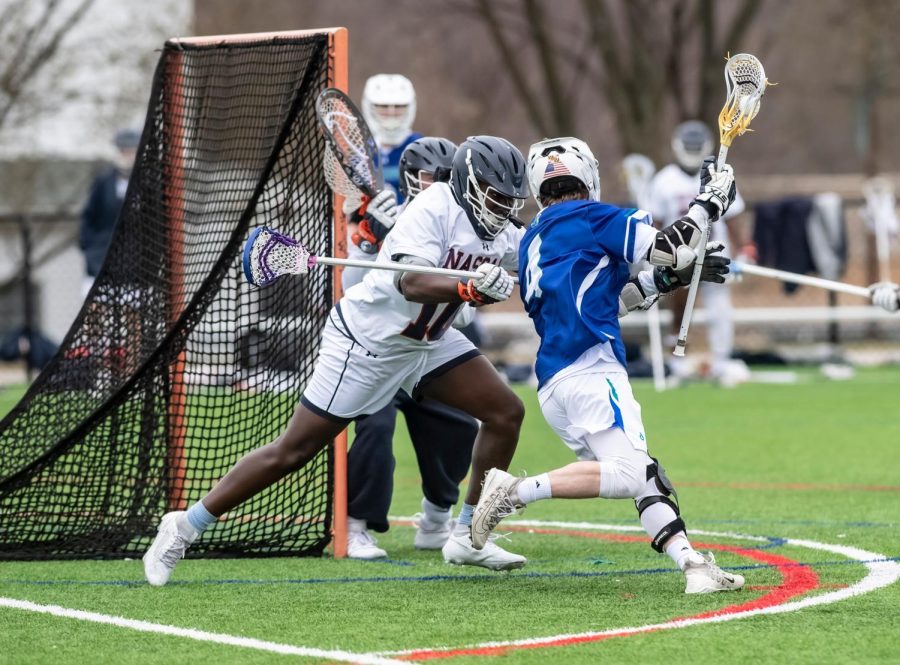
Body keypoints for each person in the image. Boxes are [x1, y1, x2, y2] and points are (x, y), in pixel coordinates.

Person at [143, 136, 530, 585]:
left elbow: (539, 261)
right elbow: (411, 283)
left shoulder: (502, 228)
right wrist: (469, 289)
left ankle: (467, 534)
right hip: (368, 344)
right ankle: (185, 525)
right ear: (466, 183)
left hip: (426, 343)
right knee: (294, 450)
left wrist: (618, 281)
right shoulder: (431, 209)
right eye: (494, 195)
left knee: (505, 412)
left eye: (509, 199)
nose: (502, 207)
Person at [471, 136, 746, 594]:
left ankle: (693, 566)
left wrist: (664, 279)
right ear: (589, 176)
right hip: (592, 369)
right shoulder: (596, 217)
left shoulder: (537, 236)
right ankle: (513, 492)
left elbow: (607, 301)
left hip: (558, 382)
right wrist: (708, 204)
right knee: (629, 472)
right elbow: (676, 247)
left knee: (645, 474)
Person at [341, 137, 481, 559]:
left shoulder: (461, 224)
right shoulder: (378, 218)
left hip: (426, 351)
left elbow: (465, 315)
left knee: (460, 424)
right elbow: (352, 288)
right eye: (430, 176)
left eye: (446, 176)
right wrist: (373, 243)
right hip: (377, 348)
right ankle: (355, 524)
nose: (438, 183)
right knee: (376, 427)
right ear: (407, 177)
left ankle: (437, 516)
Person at [647, 121, 753, 386]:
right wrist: (650, 253)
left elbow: (734, 216)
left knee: (720, 310)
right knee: (680, 309)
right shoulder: (664, 181)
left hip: (716, 253)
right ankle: (677, 361)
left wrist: (745, 249)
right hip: (680, 255)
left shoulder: (720, 175)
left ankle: (721, 361)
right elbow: (656, 222)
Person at [79, 128, 140, 297]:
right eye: (123, 150)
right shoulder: (103, 182)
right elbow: (89, 215)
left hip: (136, 264)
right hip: (100, 259)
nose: (127, 155)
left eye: (131, 150)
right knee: (95, 309)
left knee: (133, 312)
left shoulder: (146, 182)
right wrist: (89, 247)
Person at [361, 74, 422, 204]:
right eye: (383, 107)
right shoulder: (360, 150)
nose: (391, 113)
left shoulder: (422, 148)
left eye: (398, 107)